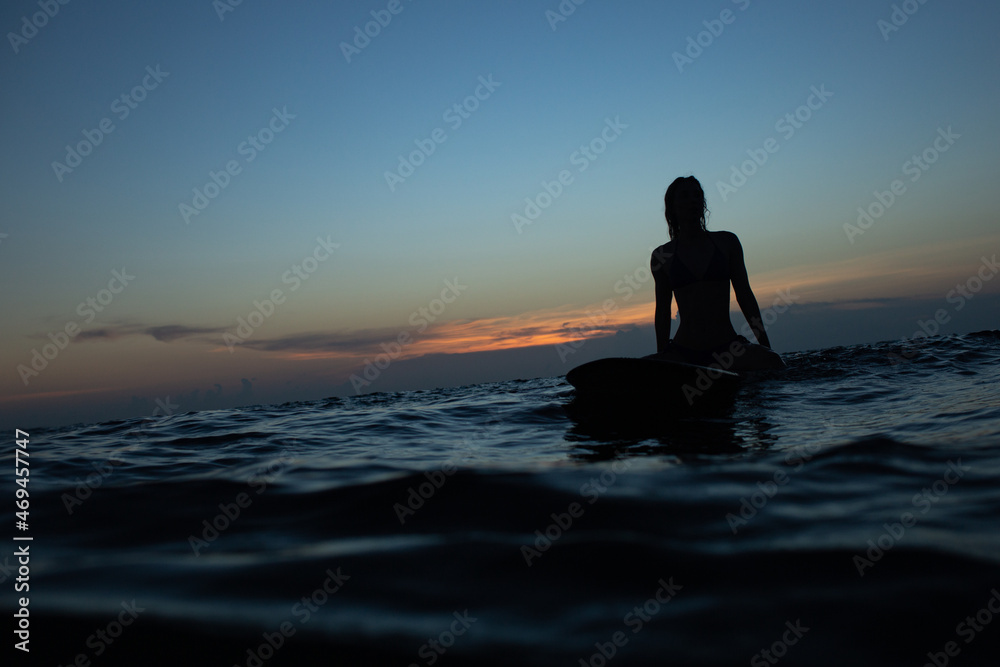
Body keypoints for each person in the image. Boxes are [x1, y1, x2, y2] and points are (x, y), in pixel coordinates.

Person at [649, 176, 784, 371]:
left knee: (774, 362)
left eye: (697, 195)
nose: (693, 200)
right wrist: (663, 358)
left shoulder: (727, 242)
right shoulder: (661, 256)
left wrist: (765, 345)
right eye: (685, 196)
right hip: (684, 352)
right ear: (672, 206)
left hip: (728, 350)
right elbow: (662, 311)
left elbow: (745, 296)